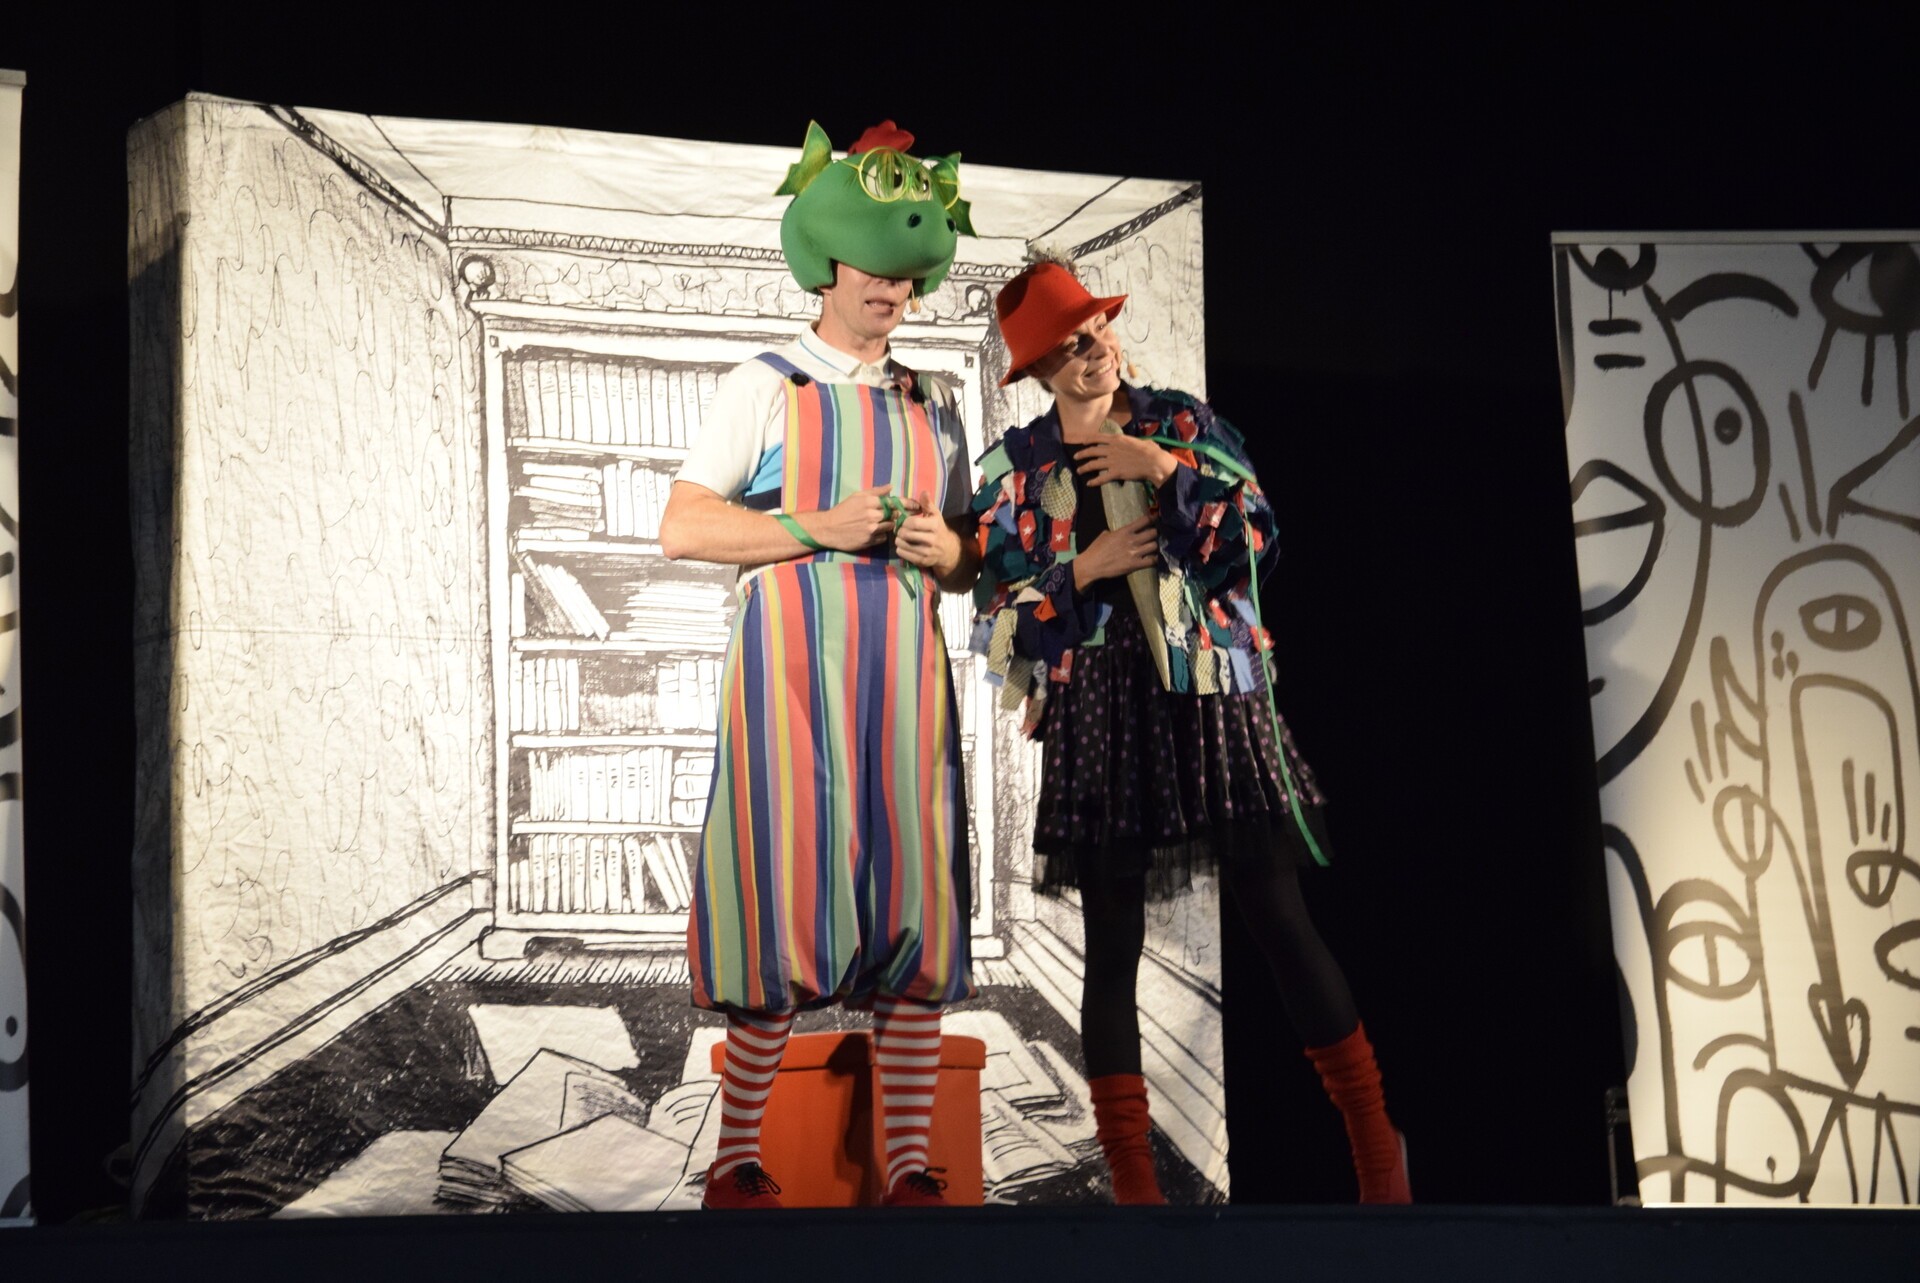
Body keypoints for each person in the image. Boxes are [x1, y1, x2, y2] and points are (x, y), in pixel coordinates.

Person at [970, 259, 1410, 1205]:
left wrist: (1164, 470)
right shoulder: (1020, 467)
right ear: (1040, 369)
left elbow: (1260, 540)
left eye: (1098, 329)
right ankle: (1133, 1179)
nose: (1095, 351)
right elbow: (998, 621)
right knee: (1112, 938)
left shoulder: (1177, 421)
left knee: (1277, 913)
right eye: (1070, 346)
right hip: (1102, 711)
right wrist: (1082, 570)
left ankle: (1377, 1145)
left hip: (1209, 693)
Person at [659, 120, 981, 1210]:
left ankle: (906, 1167)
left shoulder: (935, 401)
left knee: (913, 902)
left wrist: (949, 551)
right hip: (787, 683)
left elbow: (969, 556)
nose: (891, 287)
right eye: (872, 265)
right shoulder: (765, 385)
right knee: (780, 897)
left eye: (906, 270)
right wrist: (817, 526)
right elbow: (683, 527)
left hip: (903, 682)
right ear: (827, 262)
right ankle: (737, 1160)